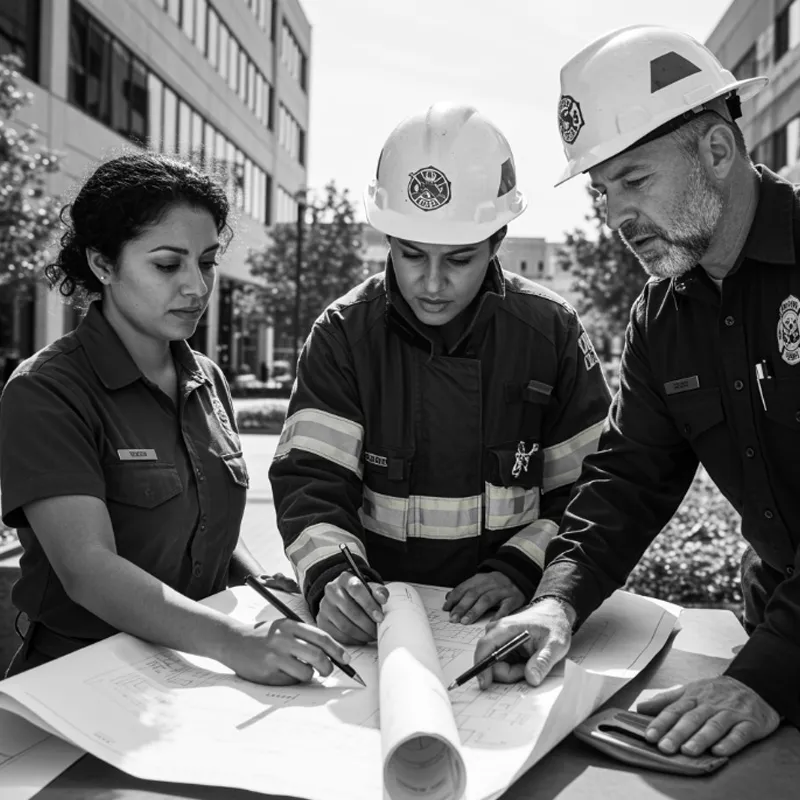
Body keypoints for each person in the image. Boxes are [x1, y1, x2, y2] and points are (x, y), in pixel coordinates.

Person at [475, 24, 798, 758]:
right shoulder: (661, 316)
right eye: (602, 190)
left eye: (635, 180)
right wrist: (558, 601)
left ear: (717, 150)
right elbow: (629, 479)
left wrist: (768, 679)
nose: (616, 216)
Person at [269, 103, 611, 645]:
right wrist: (334, 578)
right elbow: (312, 482)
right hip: (379, 622)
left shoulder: (551, 332)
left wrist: (522, 567)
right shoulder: (341, 335)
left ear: (497, 240)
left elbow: (593, 488)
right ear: (388, 239)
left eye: (458, 260)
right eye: (411, 255)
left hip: (512, 623)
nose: (431, 284)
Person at [0, 153, 348, 685]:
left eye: (207, 262)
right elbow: (87, 569)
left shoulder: (206, 379)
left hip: (190, 672)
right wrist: (236, 642)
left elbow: (206, 525)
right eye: (167, 265)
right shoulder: (46, 391)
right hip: (80, 684)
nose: (197, 287)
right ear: (103, 264)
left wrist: (266, 594)